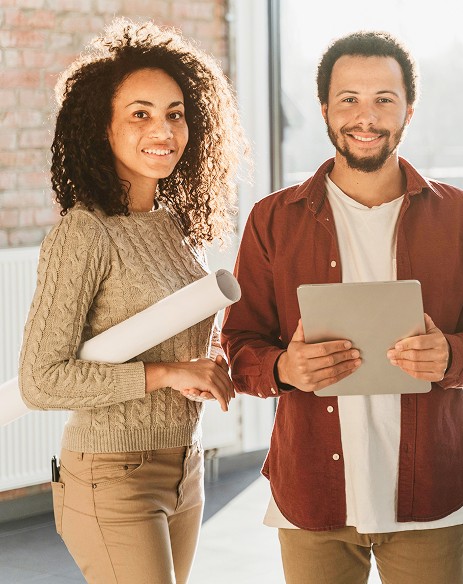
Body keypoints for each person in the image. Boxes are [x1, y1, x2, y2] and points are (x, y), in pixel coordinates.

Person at [220, 30, 463, 584]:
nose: (366, 117)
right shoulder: (272, 220)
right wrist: (283, 367)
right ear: (325, 108)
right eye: (349, 99)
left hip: (431, 494)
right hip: (312, 496)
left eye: (384, 99)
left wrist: (449, 355)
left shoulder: (460, 216)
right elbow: (239, 346)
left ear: (409, 109)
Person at [18, 18, 246, 584]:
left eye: (175, 113)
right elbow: (41, 380)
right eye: (140, 114)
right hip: (111, 474)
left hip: (183, 465)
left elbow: (173, 338)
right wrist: (168, 373)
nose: (162, 129)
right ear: (103, 128)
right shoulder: (85, 232)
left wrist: (204, 365)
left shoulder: (168, 226)